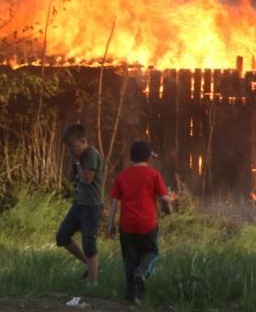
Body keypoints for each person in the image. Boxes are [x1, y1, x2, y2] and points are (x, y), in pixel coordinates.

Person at [107, 141, 175, 302]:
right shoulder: (154, 175)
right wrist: (169, 210)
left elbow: (114, 202)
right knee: (152, 252)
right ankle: (142, 272)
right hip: (147, 224)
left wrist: (110, 224)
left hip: (127, 225)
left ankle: (131, 294)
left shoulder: (122, 176)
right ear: (148, 158)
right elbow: (165, 199)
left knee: (130, 259)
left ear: (131, 157)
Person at [56, 123, 104, 285]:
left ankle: (93, 282)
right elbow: (70, 179)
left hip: (92, 206)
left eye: (72, 146)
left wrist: (77, 161)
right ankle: (92, 267)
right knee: (62, 236)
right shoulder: (78, 157)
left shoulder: (91, 155)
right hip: (79, 203)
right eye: (68, 147)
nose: (70, 149)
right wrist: (74, 160)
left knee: (89, 244)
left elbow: (87, 179)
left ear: (83, 141)